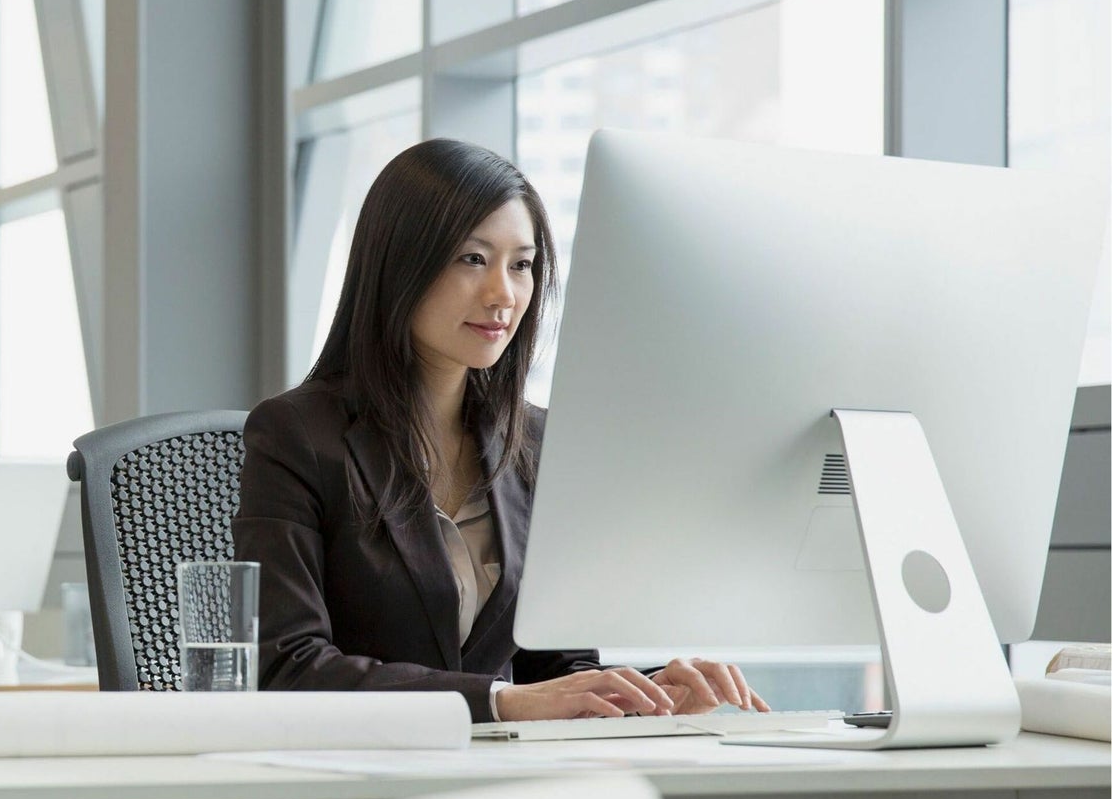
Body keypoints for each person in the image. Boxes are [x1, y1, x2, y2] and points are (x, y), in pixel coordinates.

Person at [233, 138, 770, 725]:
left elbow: (554, 674)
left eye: (521, 265)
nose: (503, 296)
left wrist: (647, 693)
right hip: (352, 782)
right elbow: (287, 667)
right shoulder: (296, 436)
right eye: (472, 259)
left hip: (494, 786)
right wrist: (495, 700)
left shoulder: (537, 444)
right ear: (399, 264)